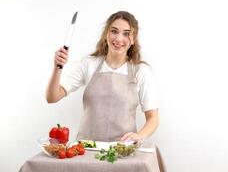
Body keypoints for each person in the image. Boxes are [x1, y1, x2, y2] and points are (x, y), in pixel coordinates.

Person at [45, 11, 159, 143]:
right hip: (86, 149)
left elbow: (153, 118)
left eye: (126, 34)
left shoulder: (140, 71)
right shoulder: (89, 64)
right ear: (106, 34)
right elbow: (52, 97)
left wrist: (139, 135)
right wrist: (57, 67)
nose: (119, 39)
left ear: (133, 39)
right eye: (114, 31)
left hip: (122, 151)